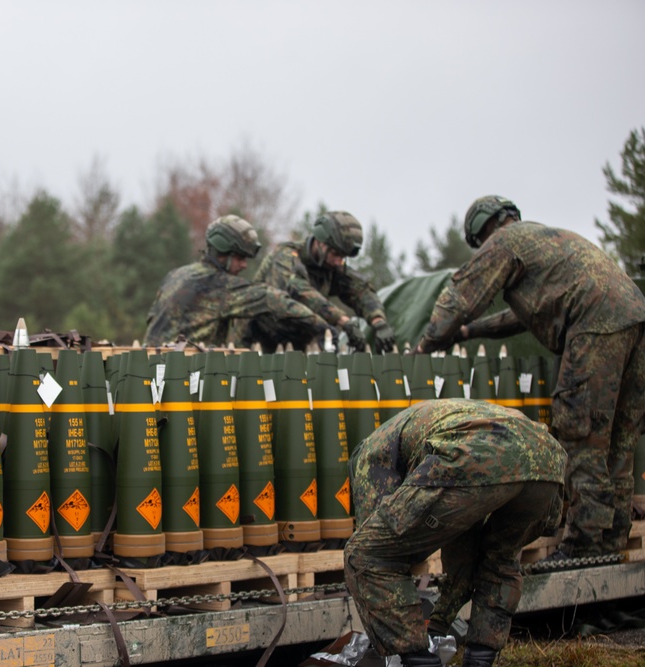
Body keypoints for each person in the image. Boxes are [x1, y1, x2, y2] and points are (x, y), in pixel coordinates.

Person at [416, 195, 645, 562]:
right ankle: (611, 545)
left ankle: (584, 549)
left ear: (483, 231)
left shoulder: (504, 242)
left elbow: (459, 297)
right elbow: (515, 317)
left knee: (581, 434)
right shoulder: (543, 243)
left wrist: (428, 341)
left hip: (595, 324)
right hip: (635, 318)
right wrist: (468, 332)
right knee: (618, 440)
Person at [344, 399, 566, 667]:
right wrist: (437, 624)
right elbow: (463, 553)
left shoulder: (370, 453)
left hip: (473, 455)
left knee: (365, 554)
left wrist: (398, 628)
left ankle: (419, 661)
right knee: (499, 558)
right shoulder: (429, 426)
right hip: (546, 459)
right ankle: (479, 660)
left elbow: (382, 552)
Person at [143, 214, 329, 347]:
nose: (244, 266)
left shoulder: (175, 275)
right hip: (184, 377)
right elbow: (271, 299)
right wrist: (321, 325)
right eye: (240, 258)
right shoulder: (220, 285)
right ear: (223, 255)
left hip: (149, 371)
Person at [248, 211, 396, 352]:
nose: (339, 261)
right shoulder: (285, 256)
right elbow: (299, 291)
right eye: (336, 254)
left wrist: (378, 322)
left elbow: (360, 290)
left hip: (296, 347)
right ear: (320, 242)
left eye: (343, 257)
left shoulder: (330, 265)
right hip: (258, 344)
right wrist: (343, 321)